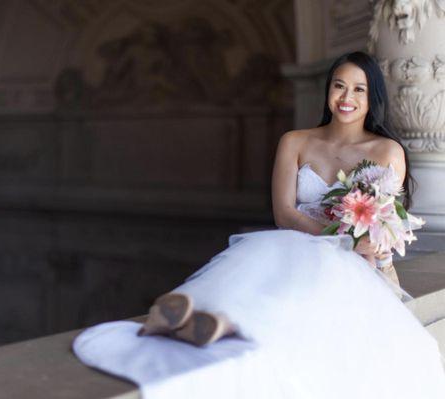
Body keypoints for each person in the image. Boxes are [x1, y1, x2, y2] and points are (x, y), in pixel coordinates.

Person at [73, 52, 445, 398]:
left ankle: (209, 327)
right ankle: (190, 318)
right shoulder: (295, 141)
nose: (346, 97)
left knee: (291, 314)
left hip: (355, 265)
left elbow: (385, 221)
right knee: (259, 289)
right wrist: (338, 240)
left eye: (359, 89)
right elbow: (284, 212)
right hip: (295, 244)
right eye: (339, 85)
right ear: (328, 90)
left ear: (371, 97)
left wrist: (364, 244)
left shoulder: (386, 151)